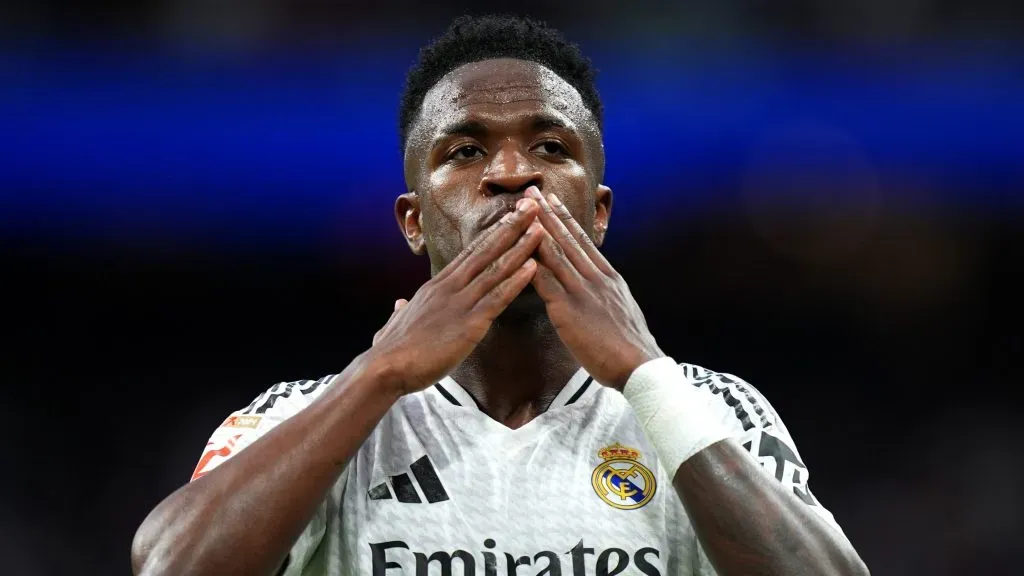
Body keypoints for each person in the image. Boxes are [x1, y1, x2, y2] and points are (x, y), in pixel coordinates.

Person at [131, 14, 868, 576]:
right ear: (414, 222)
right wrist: (379, 375)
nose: (512, 173)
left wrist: (645, 374)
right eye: (465, 151)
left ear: (599, 212)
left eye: (551, 148)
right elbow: (167, 564)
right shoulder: (306, 415)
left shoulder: (706, 411)